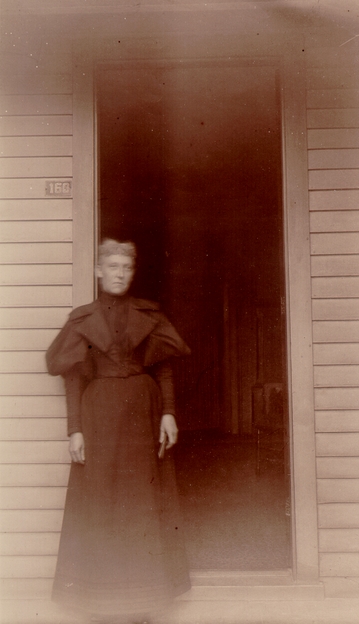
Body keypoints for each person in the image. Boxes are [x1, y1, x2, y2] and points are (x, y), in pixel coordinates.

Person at [46, 239, 191, 624]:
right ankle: (100, 600)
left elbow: (163, 368)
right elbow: (73, 379)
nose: (120, 273)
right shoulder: (82, 319)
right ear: (99, 272)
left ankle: (144, 598)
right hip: (99, 416)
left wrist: (168, 414)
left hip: (142, 415)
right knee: (101, 501)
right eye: (112, 267)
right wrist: (75, 430)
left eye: (126, 267)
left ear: (133, 272)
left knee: (141, 502)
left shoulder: (150, 315)